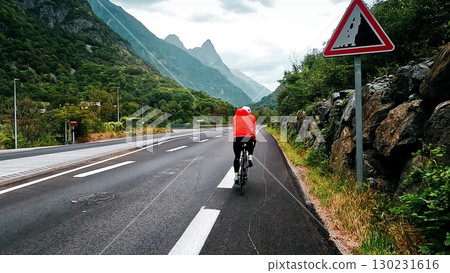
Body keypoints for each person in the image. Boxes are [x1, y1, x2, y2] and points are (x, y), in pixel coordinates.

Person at [232, 106, 256, 182]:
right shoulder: (252, 117)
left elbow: (234, 128)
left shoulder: (235, 117)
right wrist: (254, 139)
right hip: (248, 137)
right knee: (250, 144)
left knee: (237, 157)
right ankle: (250, 158)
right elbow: (253, 129)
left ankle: (236, 176)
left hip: (237, 138)